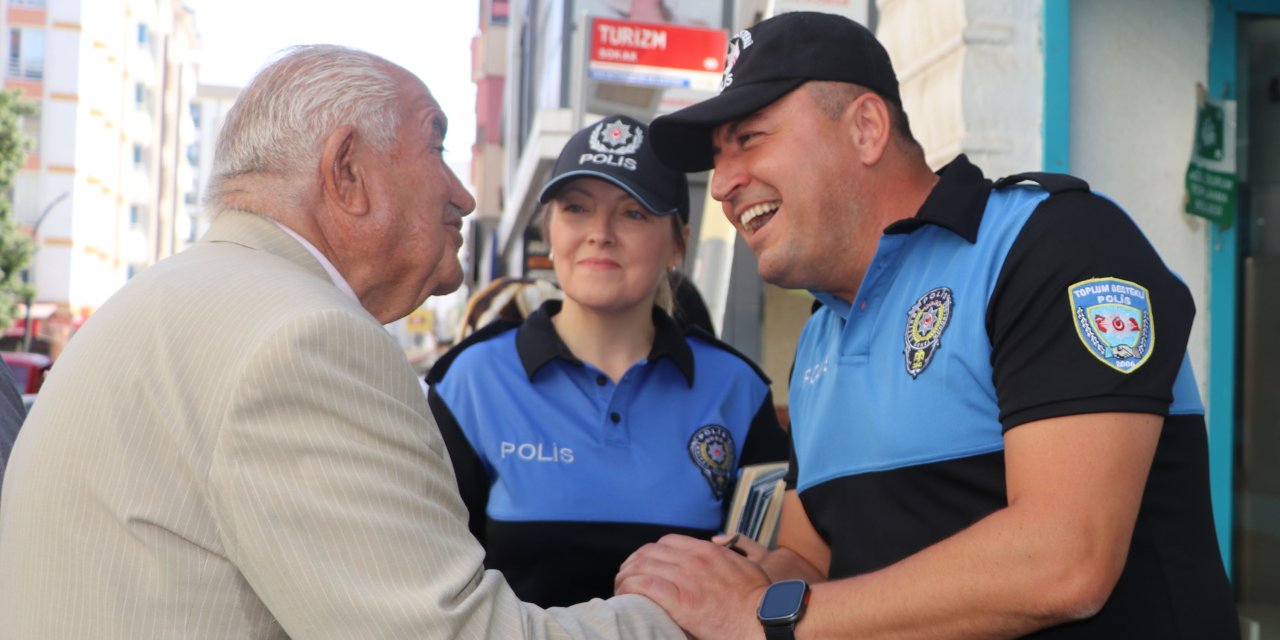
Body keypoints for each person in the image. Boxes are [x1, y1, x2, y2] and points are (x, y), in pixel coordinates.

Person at [0, 45, 682, 639]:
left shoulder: (180, 297)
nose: (463, 195)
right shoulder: (304, 339)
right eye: (437, 148)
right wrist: (690, 613)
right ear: (348, 171)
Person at [614, 12, 1239, 639]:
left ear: (866, 129)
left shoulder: (1050, 243)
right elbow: (814, 561)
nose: (722, 184)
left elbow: (1065, 561)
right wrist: (727, 576)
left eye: (749, 139)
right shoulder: (819, 336)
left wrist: (764, 616)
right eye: (718, 158)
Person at [427, 114, 789, 608]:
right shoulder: (471, 381)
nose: (600, 233)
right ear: (550, 231)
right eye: (576, 208)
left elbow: (766, 574)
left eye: (633, 213)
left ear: (677, 245)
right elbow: (431, 586)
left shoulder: (736, 390)